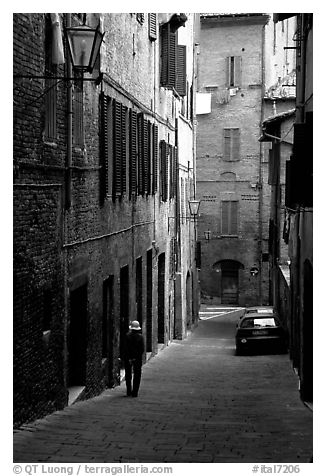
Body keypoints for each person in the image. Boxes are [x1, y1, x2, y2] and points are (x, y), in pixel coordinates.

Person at [124, 320, 145, 397]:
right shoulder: (141, 337)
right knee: (137, 375)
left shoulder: (127, 336)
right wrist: (136, 357)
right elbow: (142, 349)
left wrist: (129, 358)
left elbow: (125, 348)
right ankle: (135, 392)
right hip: (137, 359)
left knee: (128, 375)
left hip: (128, 358)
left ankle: (128, 391)